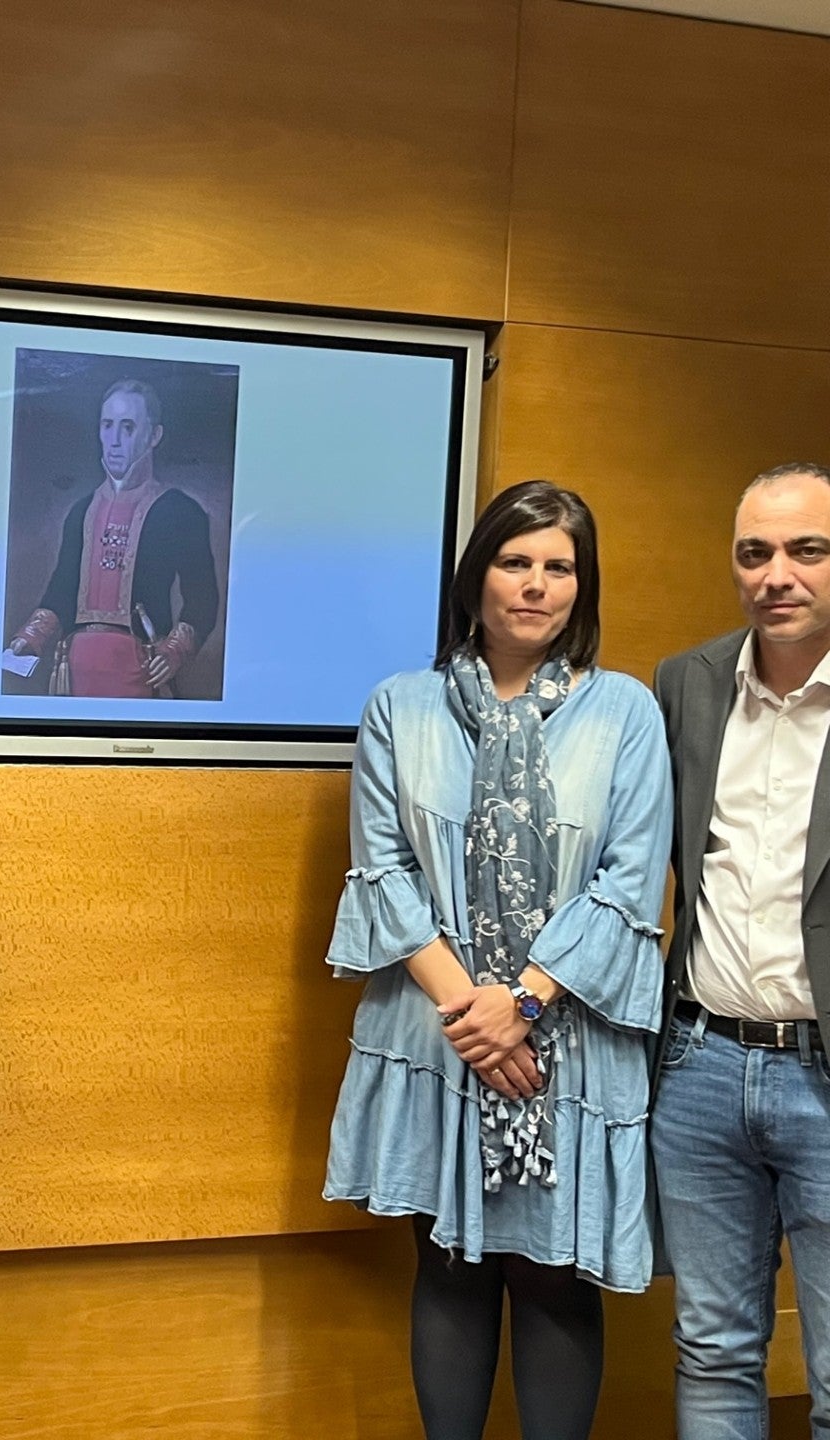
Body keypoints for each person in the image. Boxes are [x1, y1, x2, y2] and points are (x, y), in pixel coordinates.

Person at [322, 481, 673, 1440]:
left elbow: (631, 881)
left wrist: (523, 999)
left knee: (553, 1271)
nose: (536, 585)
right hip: (438, 1032)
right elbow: (383, 873)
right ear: (476, 577)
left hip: (568, 1033)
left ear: (581, 588)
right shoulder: (402, 707)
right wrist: (475, 1017)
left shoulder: (626, 712)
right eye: (516, 562)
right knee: (448, 1262)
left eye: (559, 567)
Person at [653, 461, 830, 1438]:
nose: (779, 574)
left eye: (808, 550)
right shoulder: (688, 683)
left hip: (825, 1076)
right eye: (755, 553)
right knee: (714, 1352)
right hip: (704, 1070)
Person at [6, 378, 219, 697]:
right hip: (75, 670)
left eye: (128, 427)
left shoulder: (181, 511)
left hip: (142, 672)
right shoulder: (81, 511)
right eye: (107, 425)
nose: (114, 440)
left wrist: (174, 651)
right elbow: (62, 590)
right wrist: (30, 637)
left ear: (154, 436)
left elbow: (203, 600)